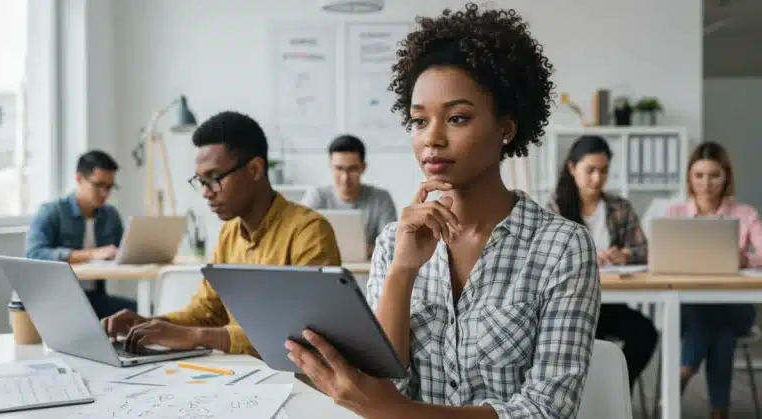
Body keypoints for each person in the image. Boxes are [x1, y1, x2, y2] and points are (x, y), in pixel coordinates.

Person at [283, 4, 601, 418]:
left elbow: (546, 411)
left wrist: (397, 412)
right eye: (418, 121)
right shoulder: (393, 243)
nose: (432, 138)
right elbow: (380, 385)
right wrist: (402, 270)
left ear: (506, 127)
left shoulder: (562, 248)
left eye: (457, 118)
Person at [101, 111, 342, 355]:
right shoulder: (229, 233)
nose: (206, 192)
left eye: (214, 178)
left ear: (255, 169)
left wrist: (196, 336)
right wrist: (148, 324)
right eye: (201, 181)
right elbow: (206, 311)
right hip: (241, 374)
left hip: (295, 381)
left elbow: (304, 333)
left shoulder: (309, 232)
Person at [548, 135, 658, 389]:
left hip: (612, 303)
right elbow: (548, 257)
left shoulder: (619, 207)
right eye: (590, 170)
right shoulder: (555, 209)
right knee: (586, 343)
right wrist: (585, 254)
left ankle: (615, 391)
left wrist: (626, 255)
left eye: (604, 170)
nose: (597, 178)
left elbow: (643, 249)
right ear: (572, 168)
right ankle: (593, 399)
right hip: (572, 306)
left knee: (645, 334)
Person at [667, 141, 760, 419]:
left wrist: (747, 260)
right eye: (698, 175)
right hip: (690, 307)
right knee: (720, 330)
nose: (705, 183)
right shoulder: (675, 214)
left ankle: (684, 370)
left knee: (714, 315)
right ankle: (720, 411)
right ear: (689, 178)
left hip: (737, 306)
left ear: (727, 177)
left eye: (714, 175)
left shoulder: (745, 214)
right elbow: (660, 257)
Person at [25, 150, 136, 319]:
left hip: (95, 299)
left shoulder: (110, 215)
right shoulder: (51, 212)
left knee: (150, 312)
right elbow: (34, 254)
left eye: (109, 187)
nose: (105, 193)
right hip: (58, 300)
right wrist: (91, 254)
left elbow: (123, 252)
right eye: (98, 185)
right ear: (79, 179)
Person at [302, 134, 398, 257]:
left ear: (363, 167)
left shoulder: (381, 199)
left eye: (352, 169)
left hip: (367, 270)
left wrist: (368, 250)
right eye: (339, 169)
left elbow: (392, 245)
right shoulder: (316, 196)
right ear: (330, 166)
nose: (345, 178)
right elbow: (301, 238)